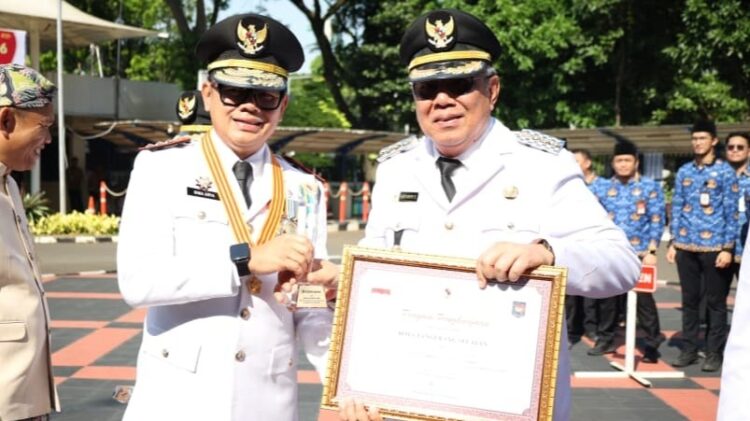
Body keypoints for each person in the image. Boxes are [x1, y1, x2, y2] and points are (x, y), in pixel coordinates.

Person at [340, 9, 641, 421]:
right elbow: (373, 279)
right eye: (426, 89)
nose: (441, 100)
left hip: (505, 401)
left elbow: (622, 263)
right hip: (409, 399)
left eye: (459, 85)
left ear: (492, 89)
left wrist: (547, 253)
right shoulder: (395, 168)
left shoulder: (540, 163)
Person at [117, 13, 337, 420]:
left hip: (268, 402)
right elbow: (138, 281)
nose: (250, 107)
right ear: (208, 94)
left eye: (266, 96)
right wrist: (246, 260)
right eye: (234, 92)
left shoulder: (304, 187)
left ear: (283, 105)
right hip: (180, 400)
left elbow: (307, 304)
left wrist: (341, 381)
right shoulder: (161, 168)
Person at [0, 64, 59, 420]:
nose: (49, 140)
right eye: (44, 126)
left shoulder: (8, 184)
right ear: (6, 120)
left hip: (20, 395)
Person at [666, 120, 739, 372]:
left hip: (715, 247)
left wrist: (727, 247)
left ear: (714, 141)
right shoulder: (684, 171)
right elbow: (677, 207)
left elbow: (732, 212)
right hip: (686, 245)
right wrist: (673, 241)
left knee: (716, 303)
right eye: (695, 138)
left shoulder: (725, 172)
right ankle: (688, 350)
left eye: (702, 138)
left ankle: (713, 352)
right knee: (689, 300)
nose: (698, 143)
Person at [588, 138, 665, 362]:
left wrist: (652, 251)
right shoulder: (602, 187)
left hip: (640, 253)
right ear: (613, 163)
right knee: (608, 299)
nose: (623, 164)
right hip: (610, 251)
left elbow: (657, 219)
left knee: (644, 301)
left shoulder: (650, 187)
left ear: (636, 162)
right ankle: (606, 338)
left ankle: (652, 343)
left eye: (627, 160)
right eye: (619, 160)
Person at [725, 132, 750, 278]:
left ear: (749, 151)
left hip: (746, 249)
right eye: (731, 147)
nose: (734, 150)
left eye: (740, 147)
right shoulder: (717, 176)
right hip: (719, 250)